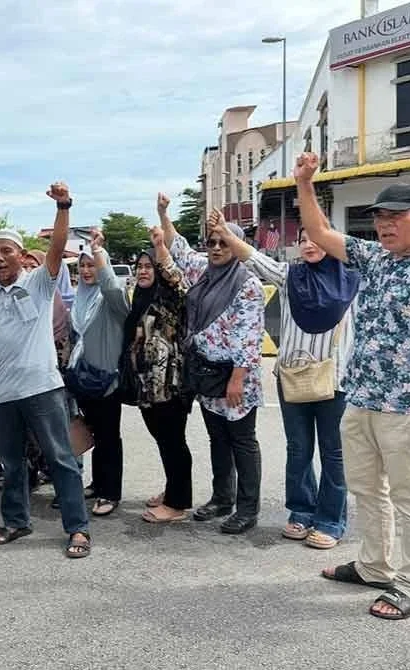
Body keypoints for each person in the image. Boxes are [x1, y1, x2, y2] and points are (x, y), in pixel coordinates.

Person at [293, 152, 410, 621]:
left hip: (407, 407)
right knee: (366, 489)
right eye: (380, 218)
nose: (386, 226)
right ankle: (375, 565)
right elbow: (319, 232)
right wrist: (305, 184)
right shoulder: (374, 259)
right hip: (362, 398)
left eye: (396, 217)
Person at [0, 182, 92, 559]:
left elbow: (57, 246)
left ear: (19, 255)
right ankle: (16, 521)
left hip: (42, 388)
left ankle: (78, 529)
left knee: (61, 458)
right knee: (12, 464)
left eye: (6, 251)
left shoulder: (39, 284)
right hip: (0, 395)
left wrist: (63, 206)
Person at [209, 209, 359, 549]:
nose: (309, 244)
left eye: (317, 238)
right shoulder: (291, 276)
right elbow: (255, 259)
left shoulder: (353, 279)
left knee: (333, 453)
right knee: (299, 449)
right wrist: (227, 234)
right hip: (292, 377)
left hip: (335, 380)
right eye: (303, 239)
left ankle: (330, 520)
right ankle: (302, 512)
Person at [161, 192, 265, 535]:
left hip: (236, 377)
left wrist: (237, 379)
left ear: (237, 244)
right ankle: (223, 497)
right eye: (212, 242)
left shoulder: (246, 283)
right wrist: (163, 213)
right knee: (217, 438)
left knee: (242, 441)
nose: (217, 248)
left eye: (224, 242)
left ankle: (247, 509)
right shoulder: (204, 272)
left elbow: (249, 335)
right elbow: (178, 248)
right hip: (207, 374)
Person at [120, 225, 192, 523]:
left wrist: (161, 246)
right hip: (147, 386)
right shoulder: (140, 297)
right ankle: (171, 490)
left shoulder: (170, 296)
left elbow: (177, 280)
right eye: (139, 267)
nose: (143, 271)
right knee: (163, 440)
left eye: (149, 266)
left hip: (169, 384)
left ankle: (177, 504)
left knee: (173, 441)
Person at [68, 230, 129, 517]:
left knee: (108, 436)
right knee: (91, 432)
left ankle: (110, 492)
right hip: (83, 378)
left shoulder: (109, 300)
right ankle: (98, 482)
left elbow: (114, 292)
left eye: (91, 265)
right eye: (82, 265)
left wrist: (100, 254)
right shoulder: (78, 298)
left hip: (106, 378)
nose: (86, 270)